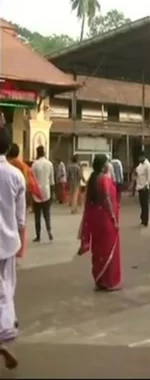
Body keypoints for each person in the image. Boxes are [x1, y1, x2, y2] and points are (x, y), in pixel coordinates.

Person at [77, 154, 122, 291]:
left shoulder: (92, 179)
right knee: (109, 249)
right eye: (108, 163)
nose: (109, 165)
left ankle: (100, 280)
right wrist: (114, 219)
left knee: (98, 250)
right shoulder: (105, 180)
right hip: (105, 219)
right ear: (104, 165)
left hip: (96, 218)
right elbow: (107, 199)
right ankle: (109, 281)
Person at [0, 128, 25, 369]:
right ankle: (5, 333)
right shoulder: (16, 175)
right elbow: (20, 218)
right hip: (7, 242)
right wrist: (22, 243)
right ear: (8, 148)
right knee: (6, 290)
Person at [6, 144, 43, 258]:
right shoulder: (24, 166)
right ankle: (20, 250)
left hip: (7, 199)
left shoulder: (6, 166)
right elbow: (32, 183)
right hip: (23, 198)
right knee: (21, 224)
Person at [31, 146, 54, 242]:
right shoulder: (49, 164)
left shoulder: (35, 165)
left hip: (37, 193)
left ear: (37, 153)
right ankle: (49, 231)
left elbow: (33, 180)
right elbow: (52, 180)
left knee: (37, 216)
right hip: (47, 191)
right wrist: (52, 195)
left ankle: (38, 236)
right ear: (44, 153)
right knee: (47, 214)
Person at [135, 153, 150, 227]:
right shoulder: (140, 165)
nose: (139, 159)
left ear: (143, 157)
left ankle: (145, 220)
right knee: (142, 205)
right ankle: (142, 219)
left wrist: (146, 185)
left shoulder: (148, 165)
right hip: (139, 187)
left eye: (140, 157)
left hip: (144, 188)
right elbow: (138, 172)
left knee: (145, 205)